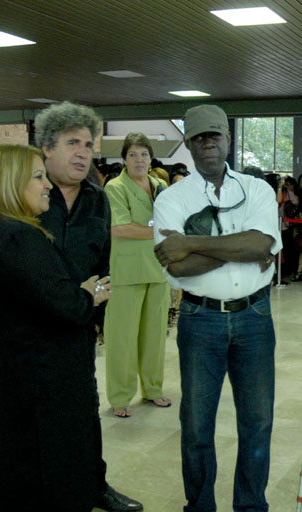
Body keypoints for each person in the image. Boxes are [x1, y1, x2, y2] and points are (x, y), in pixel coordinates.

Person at [0, 101, 143, 512]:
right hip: (26, 343)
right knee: (31, 435)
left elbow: (102, 263)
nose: (83, 152)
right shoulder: (13, 209)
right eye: (73, 143)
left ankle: (93, 484)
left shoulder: (97, 199)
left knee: (82, 414)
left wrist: (92, 314)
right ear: (46, 148)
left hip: (73, 332)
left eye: (88, 144)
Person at [0, 144, 110, 510]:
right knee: (47, 479)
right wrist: (88, 295)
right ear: (11, 183)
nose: (48, 186)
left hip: (17, 377)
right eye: (39, 177)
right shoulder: (19, 236)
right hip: (40, 383)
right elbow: (64, 305)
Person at [153, 104, 281, 512]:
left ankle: (251, 506)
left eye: (215, 135)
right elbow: (178, 267)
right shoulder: (172, 199)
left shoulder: (257, 189)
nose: (208, 143)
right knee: (196, 426)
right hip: (200, 318)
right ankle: (200, 506)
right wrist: (242, 248)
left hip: (255, 317)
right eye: (199, 137)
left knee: (257, 423)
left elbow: (262, 245)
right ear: (189, 144)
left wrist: (191, 242)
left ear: (228, 139)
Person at [104, 132, 171, 417]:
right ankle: (120, 396)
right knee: (123, 338)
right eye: (132, 154)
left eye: (144, 154)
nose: (139, 160)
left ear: (151, 158)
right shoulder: (115, 187)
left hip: (158, 270)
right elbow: (119, 228)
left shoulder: (160, 185)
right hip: (127, 272)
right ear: (124, 159)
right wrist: (161, 231)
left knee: (155, 337)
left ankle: (153, 389)